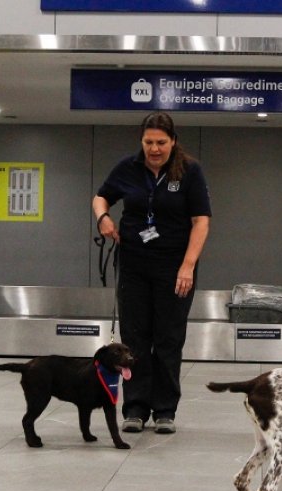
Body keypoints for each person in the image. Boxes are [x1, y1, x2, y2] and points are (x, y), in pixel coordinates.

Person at [92, 112, 211, 434]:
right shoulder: (127, 168)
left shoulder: (189, 171)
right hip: (133, 263)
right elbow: (101, 196)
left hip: (174, 266)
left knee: (168, 338)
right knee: (135, 338)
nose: (154, 149)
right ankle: (134, 408)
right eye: (148, 142)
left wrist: (187, 266)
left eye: (161, 142)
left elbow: (201, 221)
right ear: (141, 141)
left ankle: (164, 410)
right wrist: (103, 217)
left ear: (173, 141)